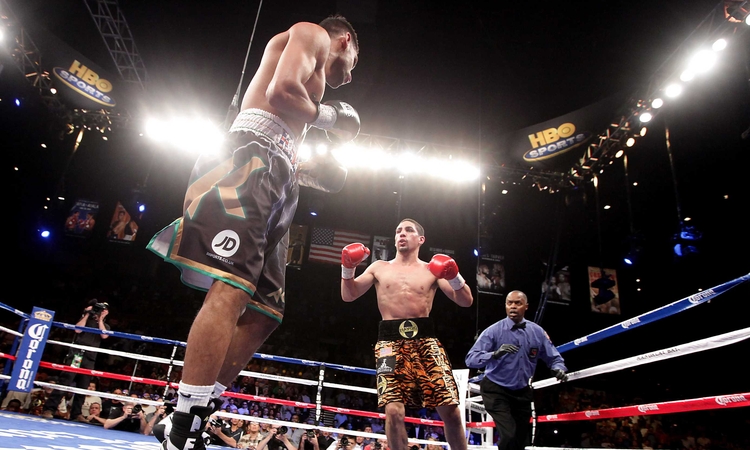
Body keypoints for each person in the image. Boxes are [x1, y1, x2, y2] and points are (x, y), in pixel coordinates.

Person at [147, 14, 361, 450]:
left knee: (265, 311)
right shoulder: (313, 34)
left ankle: (188, 414)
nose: (352, 74)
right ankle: (185, 425)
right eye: (355, 61)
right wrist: (332, 117)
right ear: (345, 40)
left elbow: (288, 130)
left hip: (278, 170)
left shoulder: (315, 69)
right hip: (250, 158)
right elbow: (280, 94)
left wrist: (313, 169)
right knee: (232, 286)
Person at [340, 218, 473, 450]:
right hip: (389, 344)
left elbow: (465, 300)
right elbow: (348, 295)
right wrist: (348, 268)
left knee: (450, 409)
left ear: (421, 239)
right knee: (393, 412)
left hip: (426, 341)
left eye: (408, 230)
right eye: (398, 231)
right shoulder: (379, 267)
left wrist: (454, 275)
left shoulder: (432, 270)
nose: (401, 234)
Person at [464, 290, 568, 450]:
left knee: (521, 441)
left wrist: (558, 368)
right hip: (496, 389)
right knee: (509, 435)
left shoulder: (537, 332)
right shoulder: (494, 331)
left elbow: (554, 357)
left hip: (522, 391)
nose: (513, 306)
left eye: (517, 303)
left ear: (526, 306)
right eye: (509, 303)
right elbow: (470, 359)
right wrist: (494, 354)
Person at [50, 299, 110, 421]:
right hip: (77, 354)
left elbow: (104, 335)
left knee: (83, 386)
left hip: (90, 357)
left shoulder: (105, 325)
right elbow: (77, 330)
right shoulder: (85, 320)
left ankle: (76, 414)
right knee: (65, 381)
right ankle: (49, 409)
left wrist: (101, 319)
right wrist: (86, 314)